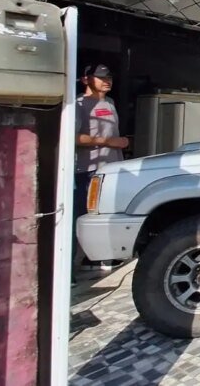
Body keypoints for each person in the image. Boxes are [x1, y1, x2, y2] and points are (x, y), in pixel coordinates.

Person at [74, 64, 129, 276]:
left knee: (107, 213)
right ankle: (76, 263)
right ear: (86, 79)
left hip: (112, 168)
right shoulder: (79, 104)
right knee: (85, 214)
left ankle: (98, 257)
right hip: (88, 169)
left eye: (109, 77)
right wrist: (109, 141)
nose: (107, 81)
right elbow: (74, 136)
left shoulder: (110, 103)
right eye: (100, 77)